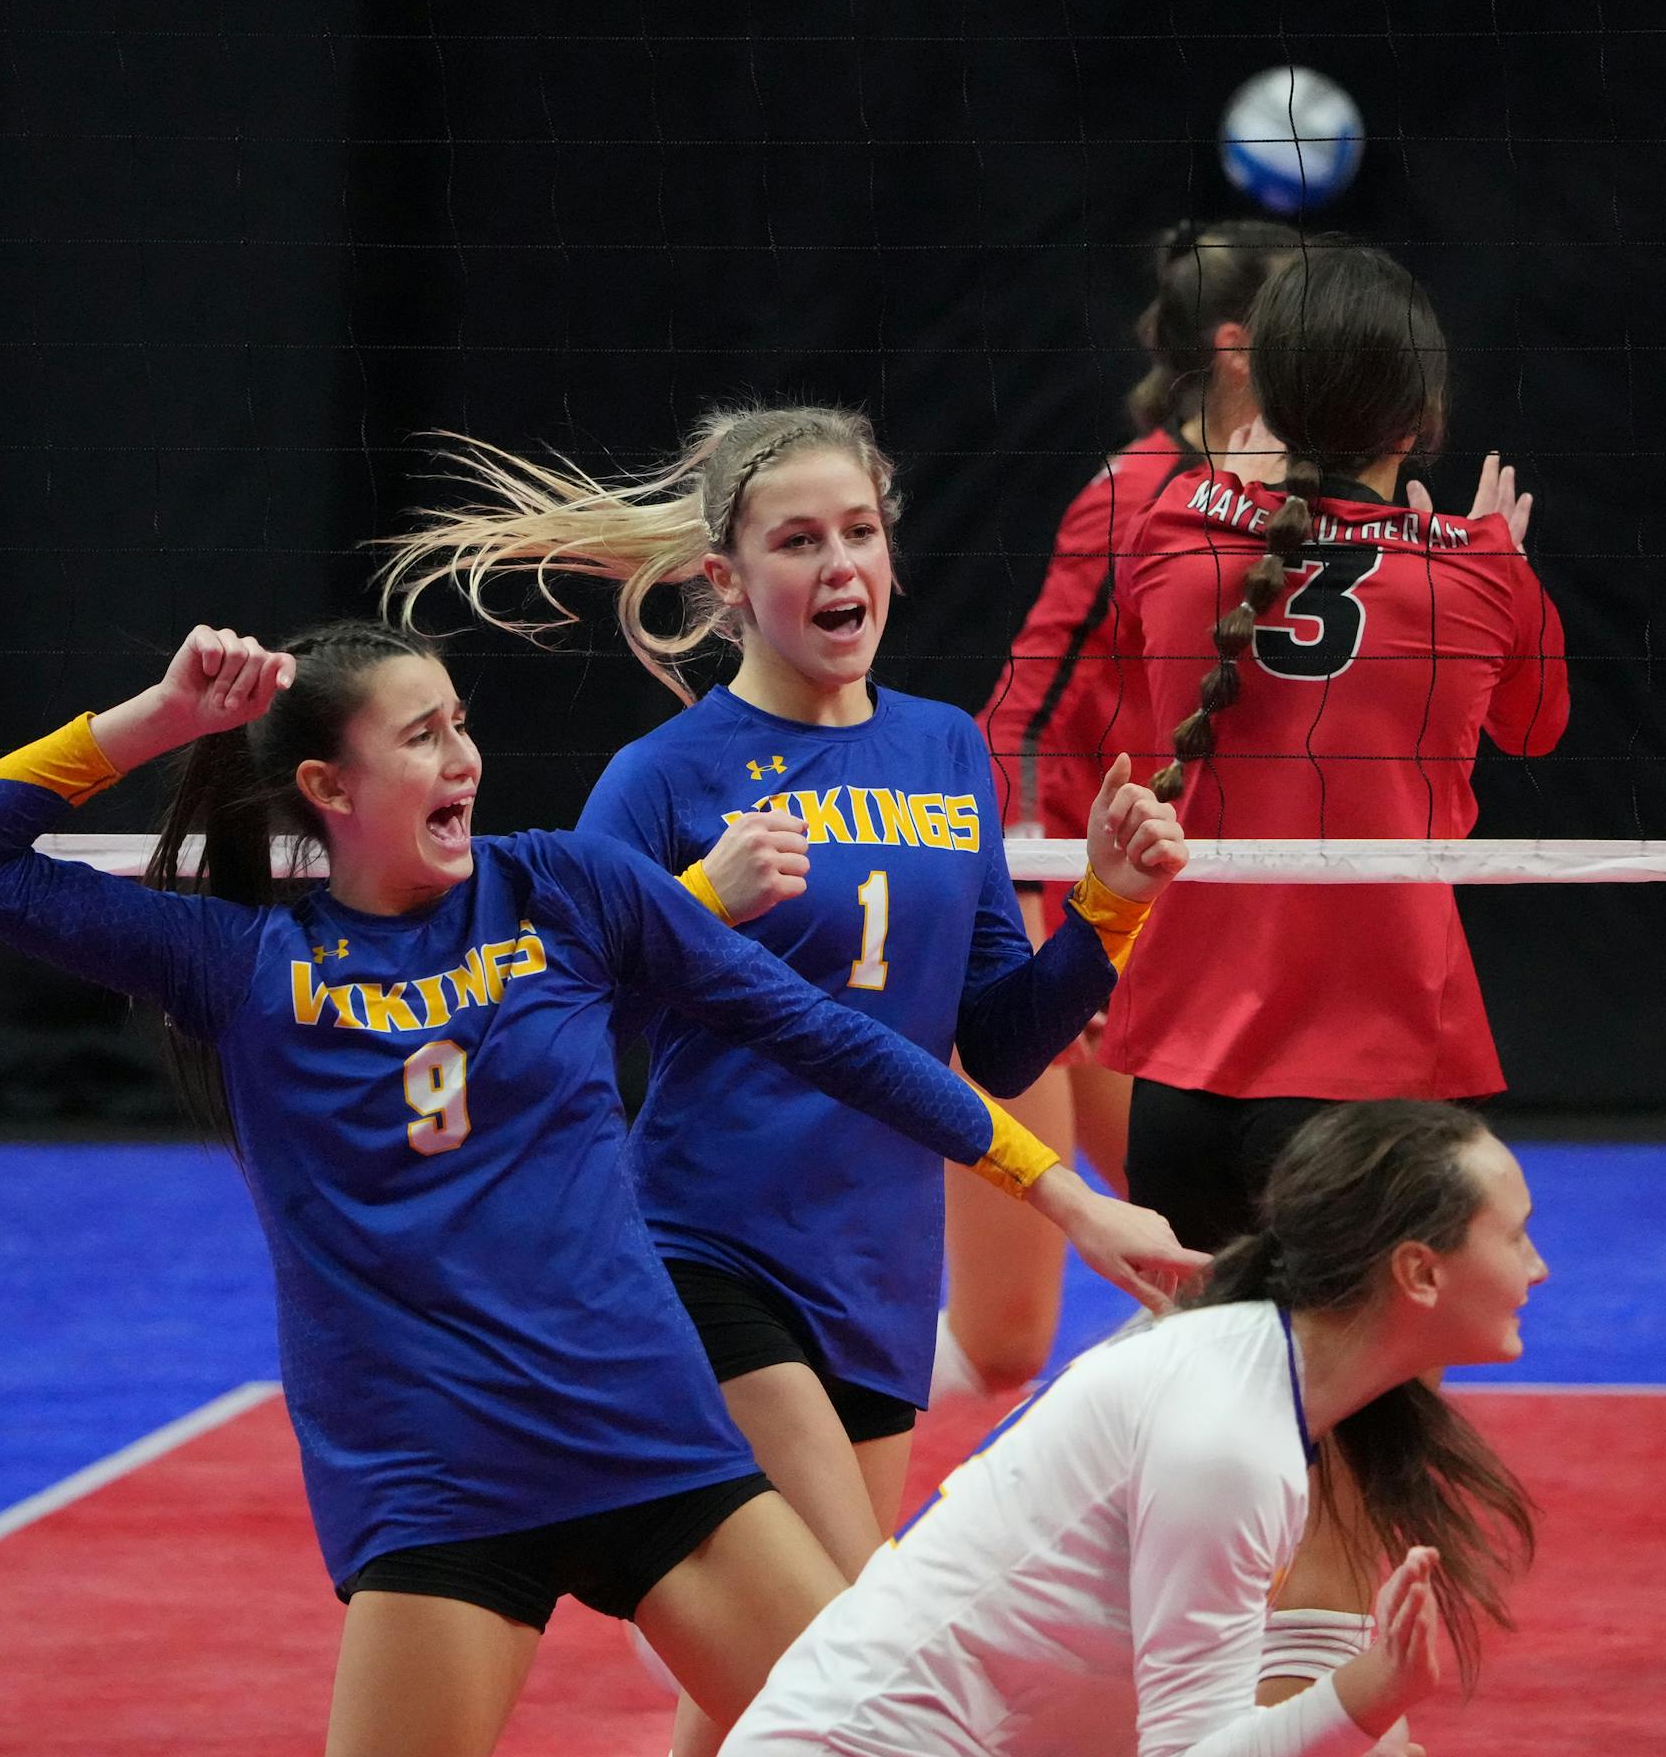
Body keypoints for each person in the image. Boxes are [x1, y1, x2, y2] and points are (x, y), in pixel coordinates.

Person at [0, 618, 1175, 1757]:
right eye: (421, 737)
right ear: (328, 787)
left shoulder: (565, 886)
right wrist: (164, 717)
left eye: (461, 723)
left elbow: (826, 1036)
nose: (463, 758)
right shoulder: (241, 964)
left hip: (646, 1437)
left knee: (893, 1738)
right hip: (439, 1477)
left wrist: (1062, 1193)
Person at [379, 406, 1204, 1755]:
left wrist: (1109, 907)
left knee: (766, 1694)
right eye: (799, 540)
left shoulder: (944, 749)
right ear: (727, 578)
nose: (840, 566)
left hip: (877, 1274)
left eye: (860, 533)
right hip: (708, 1252)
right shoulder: (664, 775)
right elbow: (548, 1027)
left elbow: (995, 1044)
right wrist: (695, 903)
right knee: (872, 1653)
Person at [722, 1099, 1542, 1757]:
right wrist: (1367, 1698)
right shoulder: (1229, 1443)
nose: (1537, 1267)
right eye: (1514, 1236)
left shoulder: (1245, 1376)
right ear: (1418, 1272)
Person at [1104, 243, 1569, 1252]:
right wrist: (1498, 562)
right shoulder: (1480, 573)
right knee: (1373, 1361)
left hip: (1183, 1076)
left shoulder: (1173, 527)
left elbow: (1156, 608)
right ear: (1417, 419)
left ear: (1266, 395)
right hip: (1377, 1085)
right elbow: (1535, 729)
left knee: (1206, 1351)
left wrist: (1224, 488)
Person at [952, 220, 1297, 1400]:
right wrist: (1021, 908)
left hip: (1140, 922)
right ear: (1240, 348)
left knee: (1225, 1266)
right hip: (1038, 913)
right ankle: (733, 1407)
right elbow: (1020, 711)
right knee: (1004, 1340)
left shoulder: (1299, 499)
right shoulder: (1136, 494)